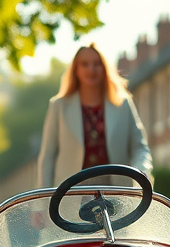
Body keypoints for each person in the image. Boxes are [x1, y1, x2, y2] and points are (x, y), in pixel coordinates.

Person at [37, 44, 153, 189]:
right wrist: (41, 203)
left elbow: (140, 147)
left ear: (105, 68)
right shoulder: (58, 106)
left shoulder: (123, 104)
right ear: (76, 70)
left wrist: (142, 172)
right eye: (84, 64)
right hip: (71, 197)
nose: (91, 70)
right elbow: (47, 156)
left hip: (116, 195)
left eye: (97, 64)